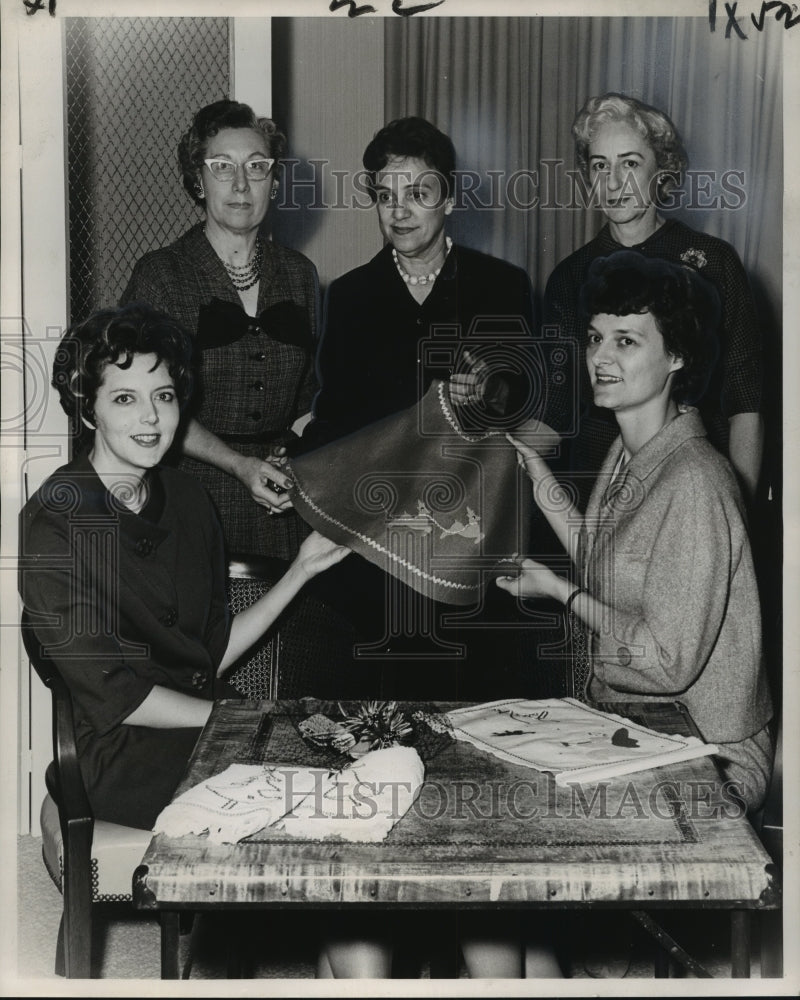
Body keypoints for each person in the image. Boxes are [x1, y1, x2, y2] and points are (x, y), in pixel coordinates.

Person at [19, 304, 348, 830]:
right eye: (125, 398)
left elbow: (210, 652)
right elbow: (116, 698)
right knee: (299, 805)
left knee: (348, 769)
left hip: (205, 717)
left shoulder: (190, 500)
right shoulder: (53, 522)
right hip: (119, 752)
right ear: (87, 411)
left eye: (164, 397)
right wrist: (243, 718)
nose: (151, 418)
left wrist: (301, 571)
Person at [499, 252, 773, 813]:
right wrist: (538, 475)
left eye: (626, 341)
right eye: (596, 337)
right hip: (640, 729)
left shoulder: (696, 481)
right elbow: (601, 557)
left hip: (709, 753)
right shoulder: (630, 452)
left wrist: (558, 591)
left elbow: (666, 659)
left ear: (676, 356)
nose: (599, 356)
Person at [300, 115, 558, 703]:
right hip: (380, 534)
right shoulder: (349, 295)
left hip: (471, 530)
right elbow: (336, 414)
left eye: (418, 193)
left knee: (473, 699)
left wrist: (491, 394)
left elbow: (529, 401)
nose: (400, 211)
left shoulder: (502, 285)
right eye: (385, 196)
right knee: (378, 702)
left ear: (450, 196)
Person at [543, 93, 763, 508]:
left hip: (694, 488)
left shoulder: (713, 261)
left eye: (630, 164)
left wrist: (739, 511)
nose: (613, 183)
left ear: (661, 170)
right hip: (599, 491)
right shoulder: (570, 276)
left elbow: (744, 400)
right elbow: (557, 407)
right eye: (599, 166)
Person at [121, 99, 318, 562]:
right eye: (222, 166)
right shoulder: (160, 274)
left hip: (281, 506)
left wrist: (300, 454)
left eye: (257, 166)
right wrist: (238, 464)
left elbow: (310, 397)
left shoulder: (300, 274)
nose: (241, 183)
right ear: (198, 179)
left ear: (273, 179)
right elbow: (140, 405)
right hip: (186, 502)